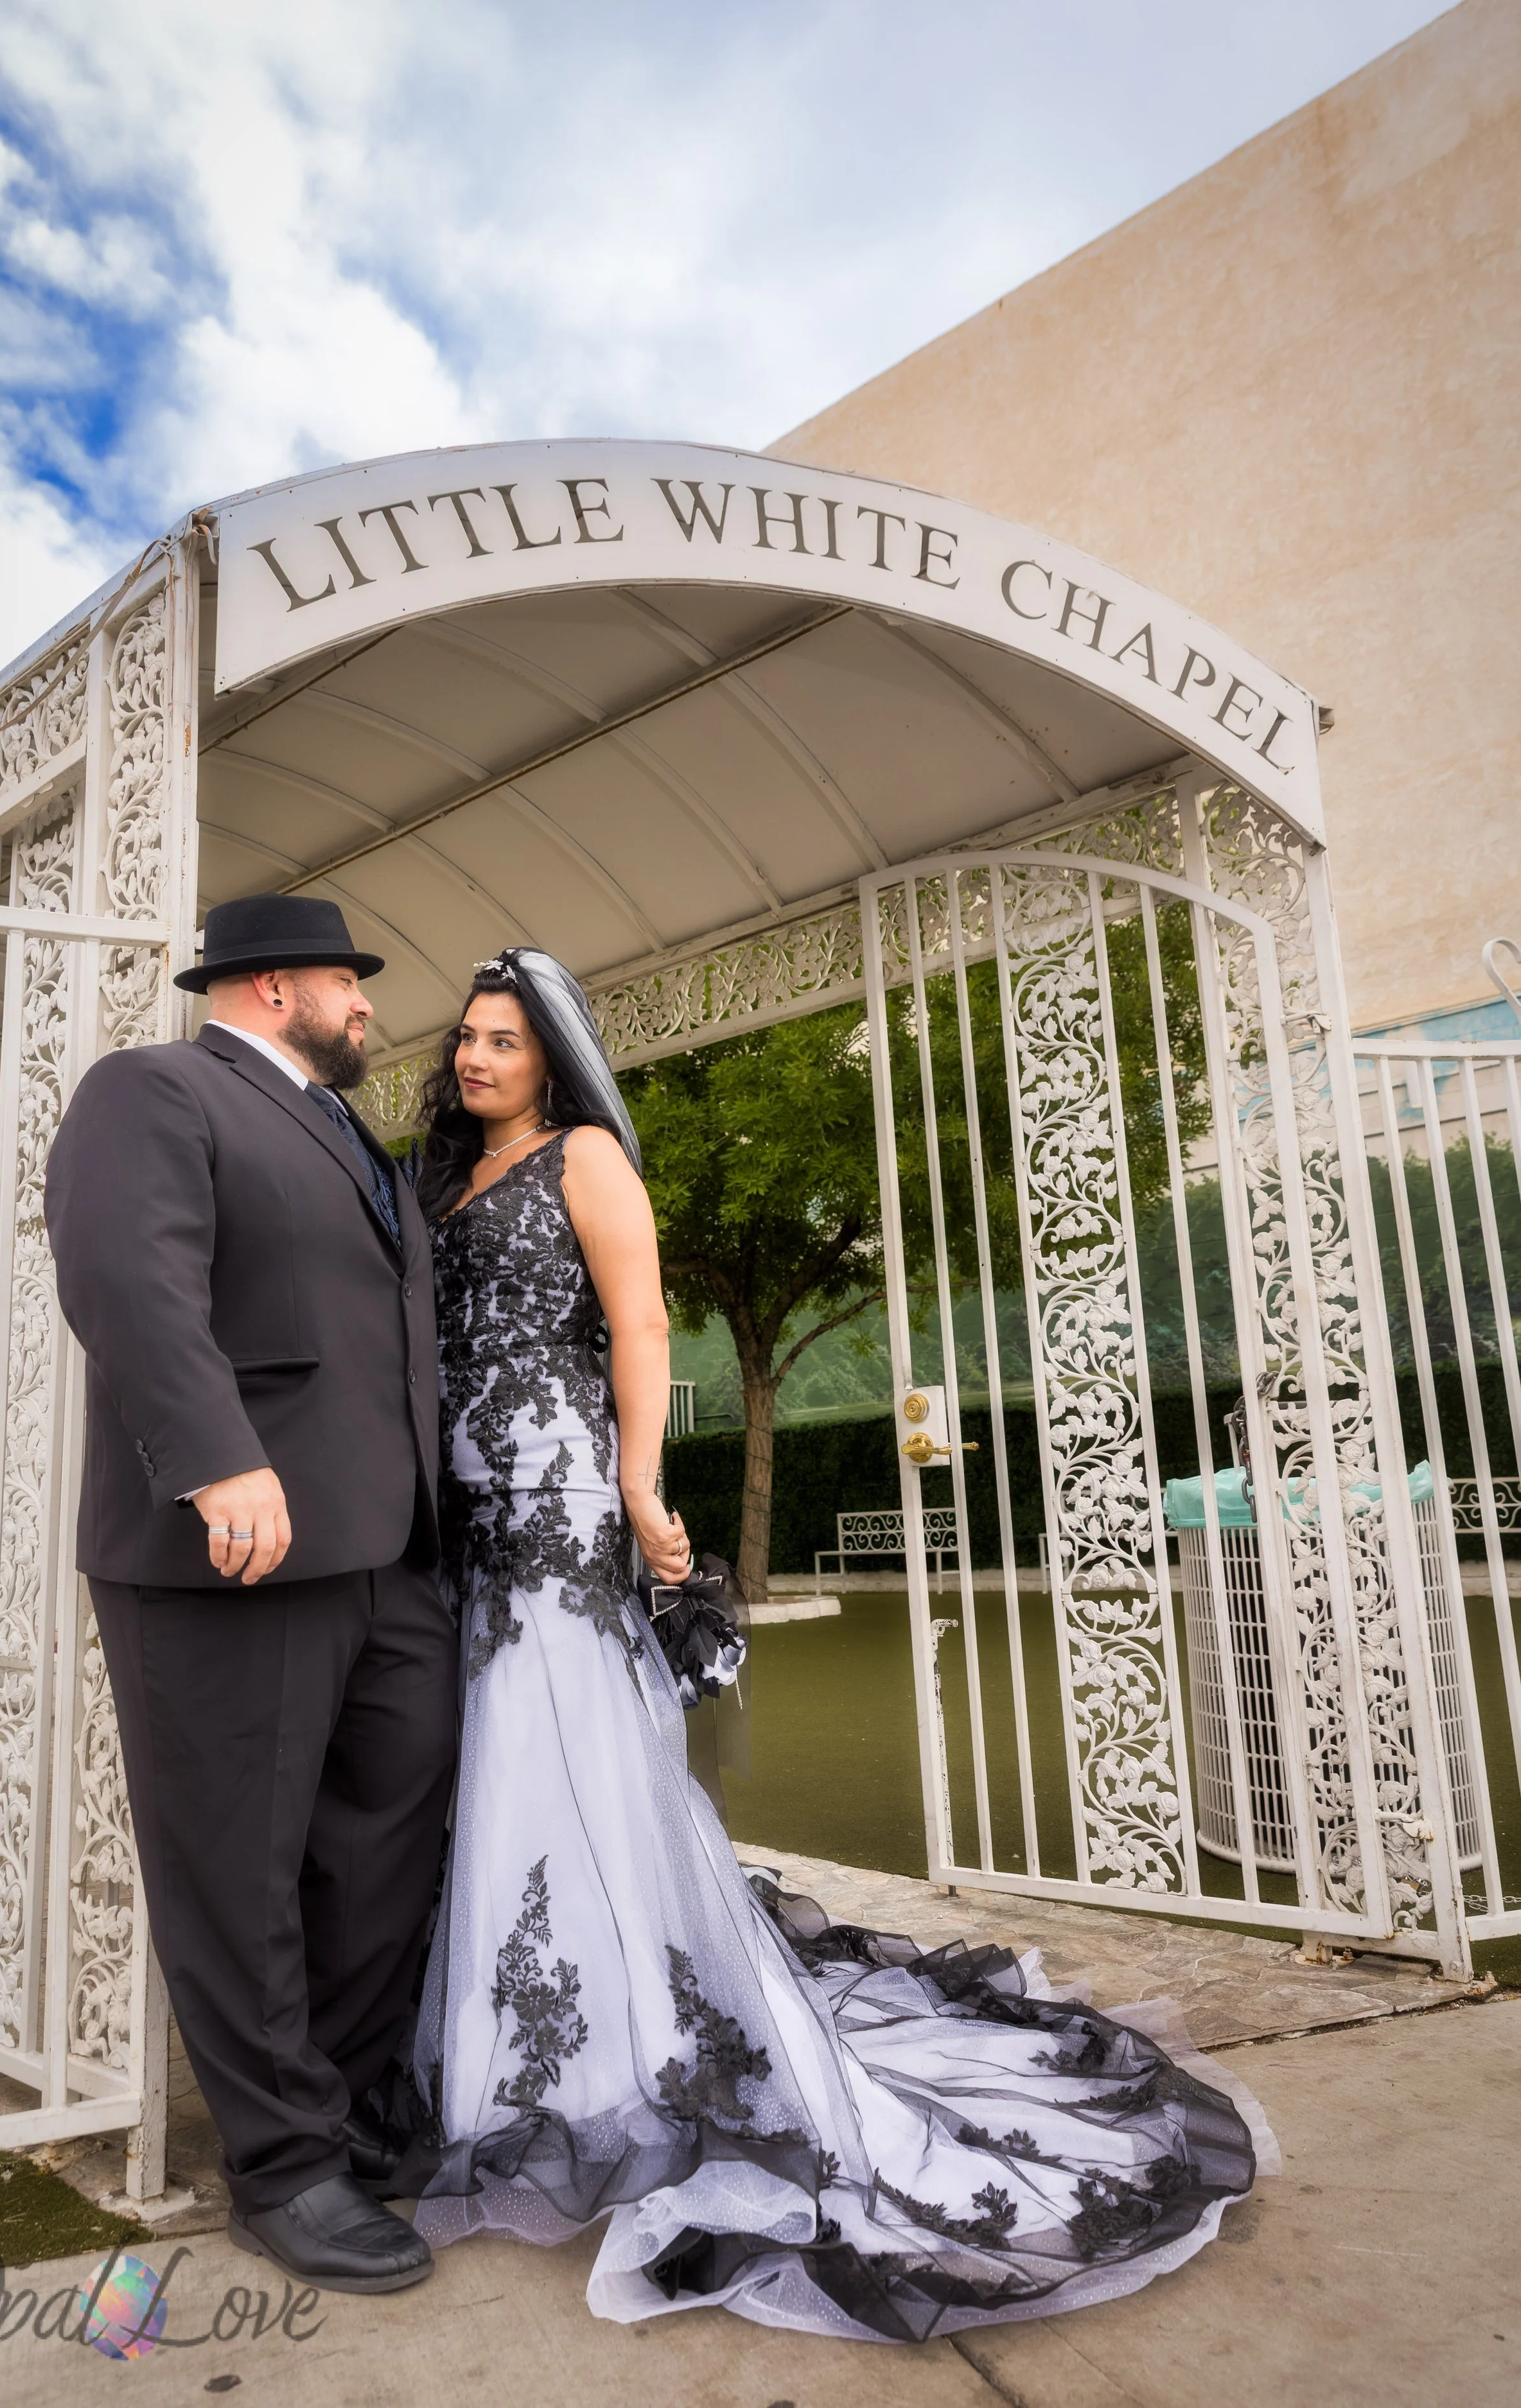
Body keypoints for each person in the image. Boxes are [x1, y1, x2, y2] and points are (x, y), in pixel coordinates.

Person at [403, 946, 1266, 2344]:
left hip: (556, 1491)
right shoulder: (447, 1180)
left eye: (502, 1042)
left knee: (558, 1747)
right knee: (485, 1754)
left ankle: (619, 2055)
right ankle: (504, 2054)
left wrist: (636, 1486)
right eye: (468, 1040)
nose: (476, 1060)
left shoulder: (585, 1164)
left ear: (549, 1060)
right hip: (462, 1500)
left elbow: (634, 1324)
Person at [44, 893, 457, 2296]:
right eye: (352, 982)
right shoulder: (151, 1088)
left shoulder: (356, 1137)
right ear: (277, 985)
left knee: (383, 1846)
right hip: (236, 1547)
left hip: (389, 1554)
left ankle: (341, 2114)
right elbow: (128, 1277)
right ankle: (279, 2168)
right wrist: (219, 1458)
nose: (367, 1007)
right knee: (237, 1867)